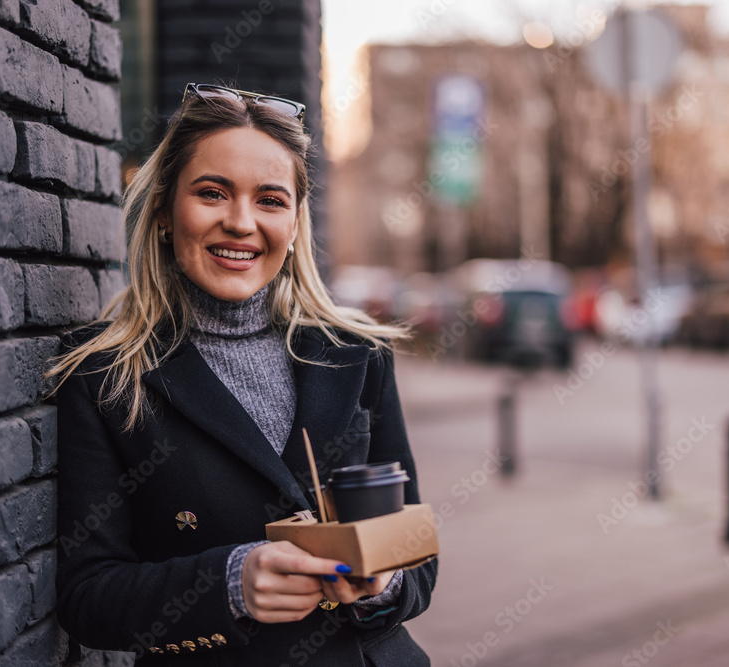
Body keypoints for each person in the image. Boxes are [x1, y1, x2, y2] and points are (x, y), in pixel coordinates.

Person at [46, 82, 437, 666]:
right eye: (212, 193)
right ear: (161, 210)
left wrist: (382, 586)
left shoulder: (359, 354)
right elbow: (86, 598)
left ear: (295, 222)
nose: (241, 222)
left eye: (271, 200)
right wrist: (229, 583)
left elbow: (418, 560)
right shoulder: (105, 375)